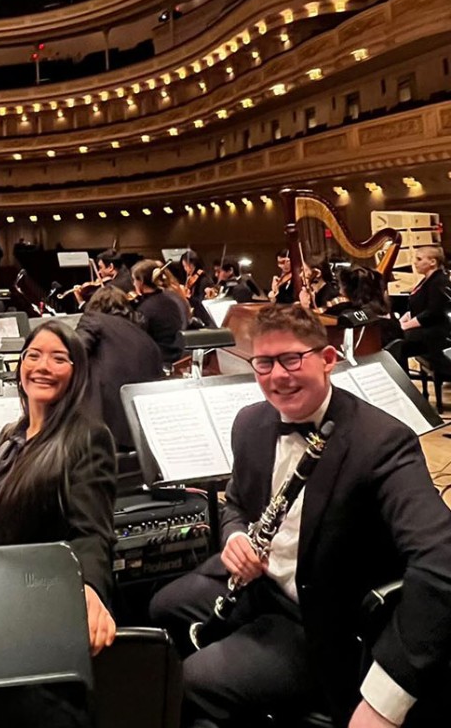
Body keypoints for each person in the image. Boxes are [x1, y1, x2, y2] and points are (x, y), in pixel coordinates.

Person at [150, 304, 451, 727]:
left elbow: (441, 561)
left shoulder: (381, 442)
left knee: (190, 680)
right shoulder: (250, 423)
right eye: (264, 363)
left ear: (327, 359)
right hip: (259, 584)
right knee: (162, 607)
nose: (277, 376)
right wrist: (235, 538)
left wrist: (387, 700)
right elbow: (235, 503)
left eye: (292, 359)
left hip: (322, 619)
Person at [0, 319, 117, 657]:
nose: (43, 367)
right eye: (33, 355)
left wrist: (89, 588)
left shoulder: (88, 437)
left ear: (76, 372)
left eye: (58, 358)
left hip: (40, 596)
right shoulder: (11, 434)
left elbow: (93, 532)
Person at [77, 286, 163, 452]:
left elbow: (74, 354)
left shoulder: (94, 319)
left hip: (102, 430)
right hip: (142, 435)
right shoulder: (147, 340)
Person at [391, 246, 451, 370]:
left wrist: (405, 326)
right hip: (425, 329)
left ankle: (403, 379)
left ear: (432, 262)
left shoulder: (439, 281)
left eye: (419, 259)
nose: (415, 262)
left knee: (396, 346)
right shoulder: (427, 280)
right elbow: (416, 307)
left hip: (435, 333)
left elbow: (433, 313)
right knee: (392, 339)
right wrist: (401, 321)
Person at [132, 259, 188, 363]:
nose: (133, 284)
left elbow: (139, 341)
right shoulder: (171, 300)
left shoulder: (145, 309)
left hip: (157, 359)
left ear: (141, 282)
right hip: (177, 354)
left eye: (134, 280)